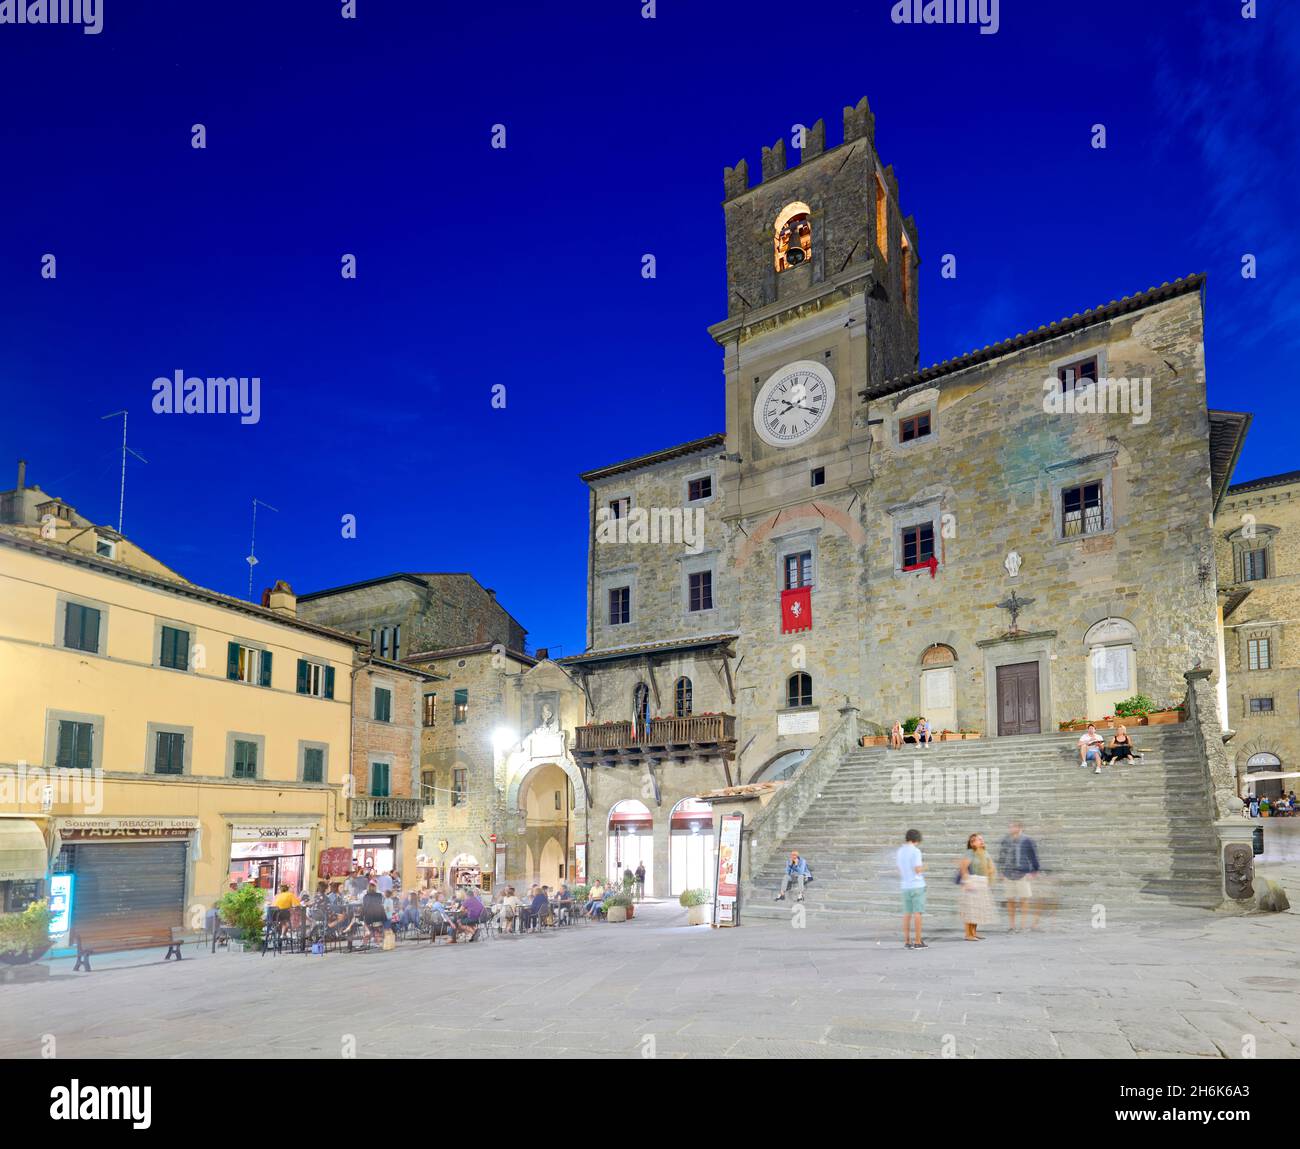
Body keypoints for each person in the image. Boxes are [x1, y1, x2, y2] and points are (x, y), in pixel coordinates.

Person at [996, 822, 1040, 931]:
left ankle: (1023, 925)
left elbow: (1033, 856)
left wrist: (1034, 871)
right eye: (1010, 826)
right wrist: (1000, 871)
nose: (1011, 828)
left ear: (1020, 827)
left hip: (1023, 873)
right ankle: (1012, 925)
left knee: (1024, 900)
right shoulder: (1005, 840)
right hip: (1008, 873)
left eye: (1013, 826)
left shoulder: (1028, 840)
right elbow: (1001, 856)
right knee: (1010, 900)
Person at [956, 833, 998, 941]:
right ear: (972, 842)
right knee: (970, 910)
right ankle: (968, 934)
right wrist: (967, 882)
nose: (982, 840)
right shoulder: (970, 853)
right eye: (979, 839)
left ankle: (973, 933)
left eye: (982, 839)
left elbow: (989, 866)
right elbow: (963, 868)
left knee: (977, 910)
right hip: (972, 881)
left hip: (982, 882)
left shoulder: (984, 852)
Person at [897, 829, 926, 950]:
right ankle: (918, 941)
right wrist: (925, 867)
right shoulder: (915, 851)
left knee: (907, 914)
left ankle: (907, 941)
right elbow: (918, 869)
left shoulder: (900, 851)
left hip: (905, 886)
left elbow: (900, 869)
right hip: (917, 885)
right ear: (917, 839)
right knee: (917, 913)